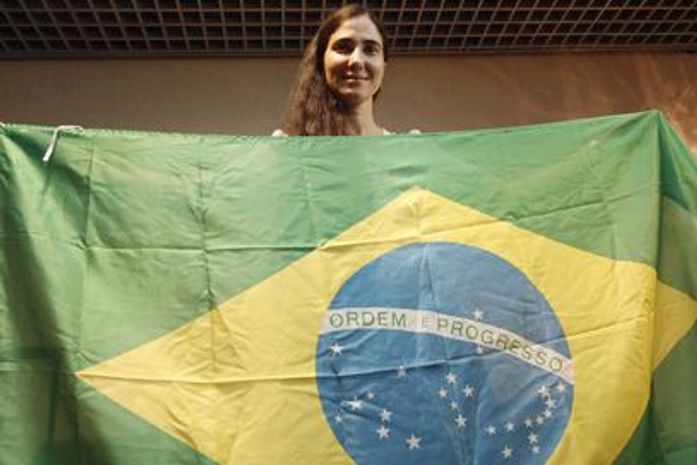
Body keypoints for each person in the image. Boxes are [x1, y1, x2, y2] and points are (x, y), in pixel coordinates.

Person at [275, 4, 395, 136]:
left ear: (383, 67)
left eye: (370, 50)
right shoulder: (285, 144)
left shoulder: (405, 146)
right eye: (343, 47)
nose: (357, 60)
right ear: (321, 61)